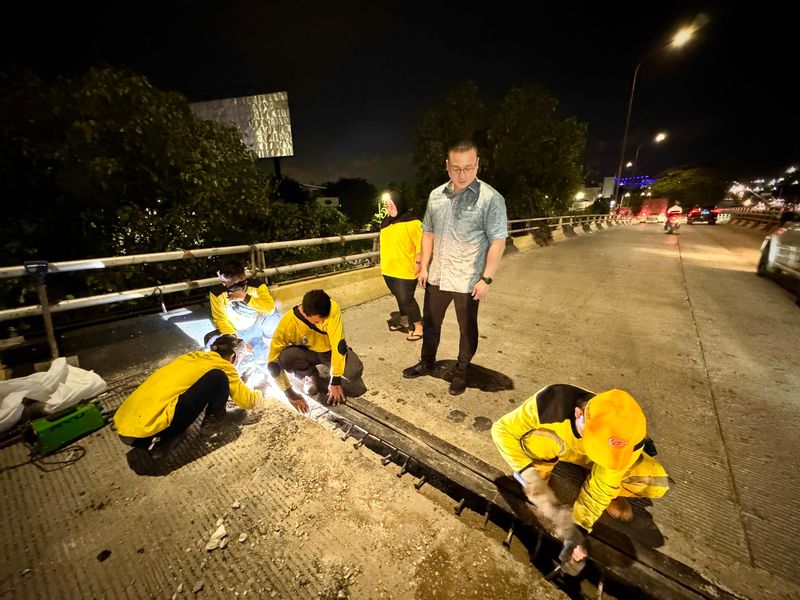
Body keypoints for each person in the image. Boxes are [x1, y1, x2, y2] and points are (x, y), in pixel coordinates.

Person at [491, 385, 669, 572]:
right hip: (562, 444)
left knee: (654, 482)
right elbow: (501, 430)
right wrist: (532, 480)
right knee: (534, 440)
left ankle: (600, 481)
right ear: (578, 414)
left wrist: (579, 528)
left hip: (593, 459)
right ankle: (542, 470)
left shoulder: (629, 439)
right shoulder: (549, 403)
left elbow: (603, 485)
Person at [402, 139, 508, 395]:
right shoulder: (436, 196)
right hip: (437, 275)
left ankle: (461, 372)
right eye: (457, 168)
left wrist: (487, 279)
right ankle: (427, 363)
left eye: (469, 168)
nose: (463, 175)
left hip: (468, 280)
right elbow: (427, 232)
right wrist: (425, 266)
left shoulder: (491, 199)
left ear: (478, 165)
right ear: (447, 166)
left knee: (467, 330)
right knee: (430, 324)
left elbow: (498, 241)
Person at [114, 335, 307, 459]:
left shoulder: (193, 357)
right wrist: (260, 391)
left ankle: (167, 437)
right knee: (218, 379)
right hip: (144, 432)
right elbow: (247, 401)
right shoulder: (223, 367)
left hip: (125, 425)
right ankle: (205, 426)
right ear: (233, 357)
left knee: (203, 387)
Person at [267, 289, 367, 407]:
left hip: (329, 350)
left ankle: (333, 371)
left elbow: (338, 345)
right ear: (305, 313)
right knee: (286, 358)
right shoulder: (288, 325)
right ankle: (309, 374)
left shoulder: (333, 308)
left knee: (354, 375)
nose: (323, 322)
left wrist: (335, 381)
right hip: (308, 352)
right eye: (318, 320)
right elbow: (272, 363)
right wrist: (289, 392)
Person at [209, 258, 280, 363]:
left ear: (243, 277)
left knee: (274, 314)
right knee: (214, 343)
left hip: (256, 324)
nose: (225, 285)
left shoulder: (257, 286)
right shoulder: (217, 293)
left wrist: (246, 298)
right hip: (238, 331)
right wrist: (236, 342)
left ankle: (269, 345)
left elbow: (269, 309)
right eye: (224, 282)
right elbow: (220, 320)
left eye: (235, 284)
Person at [379, 190, 423, 341]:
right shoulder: (385, 223)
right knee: (399, 297)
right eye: (387, 206)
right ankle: (404, 321)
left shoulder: (412, 222)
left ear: (399, 204)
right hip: (388, 269)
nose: (388, 209)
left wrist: (419, 263)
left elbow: (420, 245)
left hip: (406, 269)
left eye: (391, 205)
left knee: (407, 299)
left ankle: (418, 326)